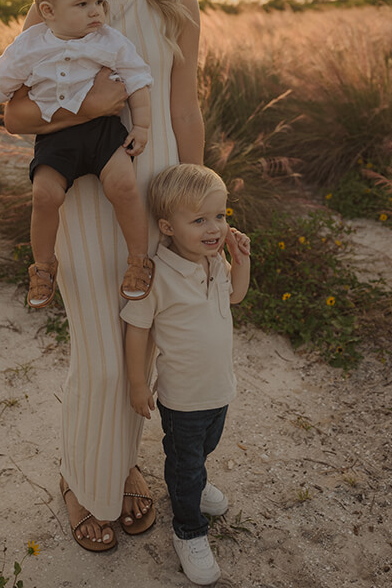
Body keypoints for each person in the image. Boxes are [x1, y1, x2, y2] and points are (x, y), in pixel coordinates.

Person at [3, 0, 242, 552]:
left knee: (150, 349)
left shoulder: (177, 3)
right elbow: (16, 113)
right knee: (104, 358)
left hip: (159, 194)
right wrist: (95, 103)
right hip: (84, 193)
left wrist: (201, 201)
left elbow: (184, 108)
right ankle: (82, 480)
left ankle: (125, 465)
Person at [0, 0, 155, 307]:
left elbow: (137, 79)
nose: (96, 11)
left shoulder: (110, 41)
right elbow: (0, 80)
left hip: (102, 131)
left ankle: (139, 260)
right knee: (45, 195)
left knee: (124, 186)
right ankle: (44, 267)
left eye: (100, 1)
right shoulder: (29, 45)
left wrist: (141, 125)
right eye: (82, 4)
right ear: (48, 11)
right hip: (55, 135)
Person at [121, 164, 250, 585]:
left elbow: (235, 296)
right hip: (183, 398)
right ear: (167, 227)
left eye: (220, 216)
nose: (214, 228)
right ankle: (189, 529)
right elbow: (138, 327)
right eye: (199, 220)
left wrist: (239, 258)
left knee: (205, 449)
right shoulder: (157, 274)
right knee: (184, 462)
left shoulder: (214, 262)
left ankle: (195, 484)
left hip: (218, 389)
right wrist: (138, 383)